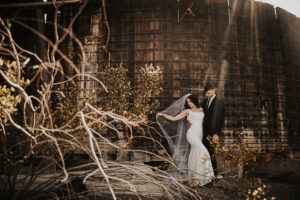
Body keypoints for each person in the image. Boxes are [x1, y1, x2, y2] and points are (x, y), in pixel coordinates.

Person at [156, 94, 214, 186]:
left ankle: (195, 179)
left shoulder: (201, 109)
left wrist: (189, 123)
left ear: (195, 100)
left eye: (190, 101)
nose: (189, 104)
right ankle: (206, 177)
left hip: (200, 134)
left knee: (195, 154)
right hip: (191, 134)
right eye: (188, 102)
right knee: (204, 152)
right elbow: (174, 118)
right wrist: (163, 114)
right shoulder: (187, 111)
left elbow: (202, 122)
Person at [201, 84, 225, 175]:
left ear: (214, 90)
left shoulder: (219, 102)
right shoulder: (205, 102)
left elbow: (219, 119)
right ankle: (207, 173)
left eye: (208, 93)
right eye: (205, 93)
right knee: (205, 151)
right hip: (204, 132)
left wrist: (216, 133)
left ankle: (214, 173)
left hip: (212, 132)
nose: (206, 95)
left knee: (211, 152)